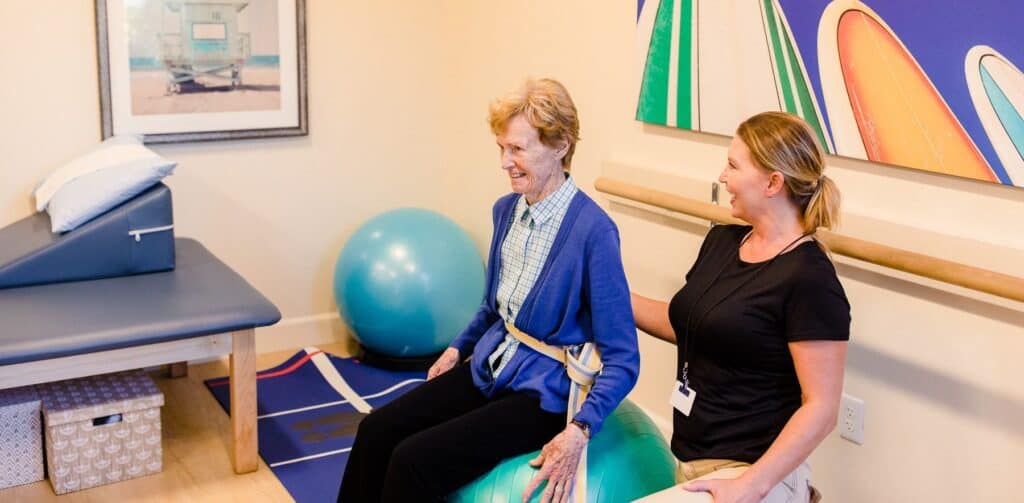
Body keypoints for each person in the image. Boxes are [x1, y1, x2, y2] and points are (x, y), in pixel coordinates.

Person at [338, 78, 639, 503]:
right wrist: (456, 349)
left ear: (561, 146)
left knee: (412, 460)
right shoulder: (506, 211)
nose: (504, 162)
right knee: (375, 430)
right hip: (492, 366)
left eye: (518, 149)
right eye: (501, 148)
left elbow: (624, 359)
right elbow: (493, 308)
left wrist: (580, 429)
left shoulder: (594, 232)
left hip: (544, 395)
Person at [634, 112, 850, 503]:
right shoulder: (722, 241)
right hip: (691, 458)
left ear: (773, 182)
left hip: (752, 470)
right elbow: (689, 324)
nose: (722, 177)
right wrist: (611, 301)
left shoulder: (809, 278)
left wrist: (751, 486)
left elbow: (822, 408)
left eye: (733, 165)